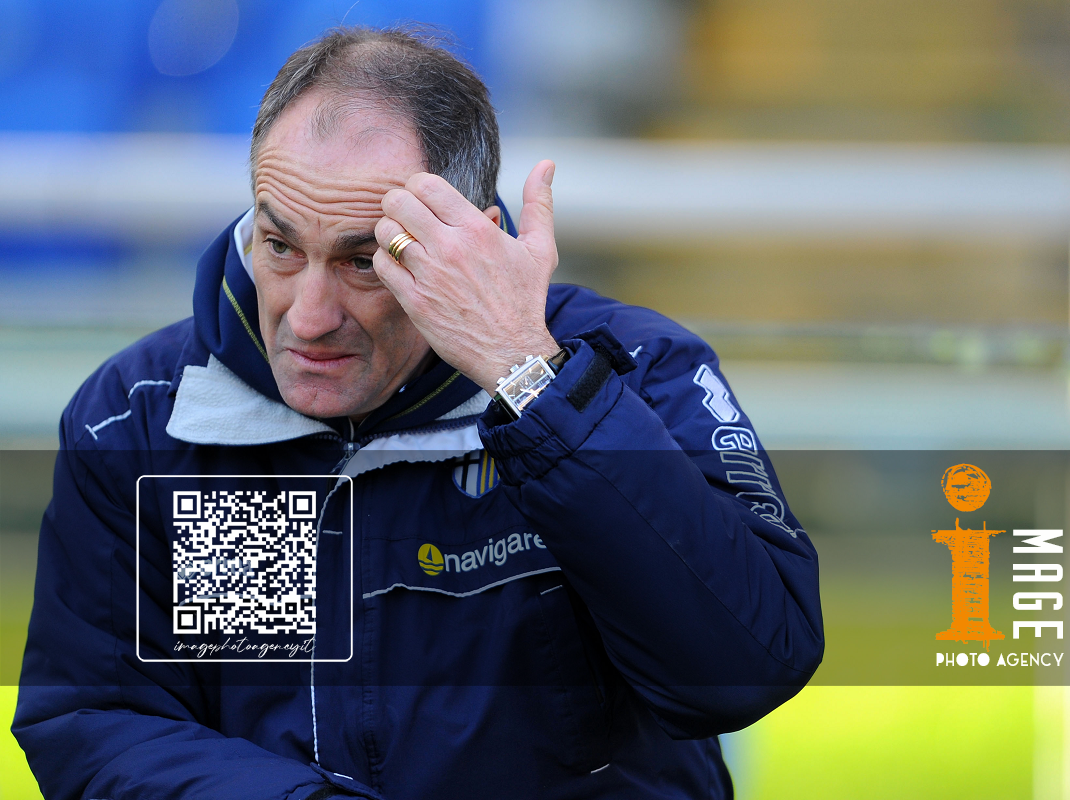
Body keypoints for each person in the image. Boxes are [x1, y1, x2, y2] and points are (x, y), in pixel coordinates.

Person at [14, 26, 823, 800]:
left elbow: (746, 669)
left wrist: (532, 381)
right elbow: (95, 722)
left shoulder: (632, 370)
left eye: (364, 261)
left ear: (475, 242)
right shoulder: (142, 416)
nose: (308, 317)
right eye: (281, 246)